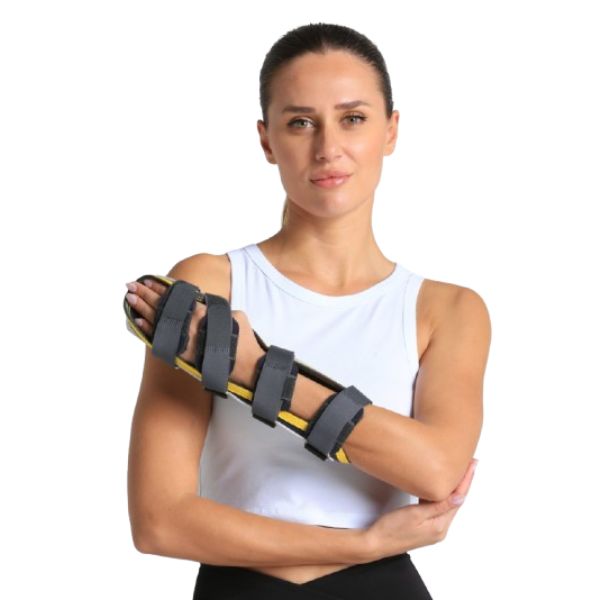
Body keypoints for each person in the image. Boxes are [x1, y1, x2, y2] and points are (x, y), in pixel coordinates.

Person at [125, 22, 489, 599]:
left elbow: (438, 471)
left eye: (353, 118)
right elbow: (158, 521)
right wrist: (362, 544)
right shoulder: (211, 284)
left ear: (390, 130)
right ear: (267, 140)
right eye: (300, 122)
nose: (327, 148)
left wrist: (256, 371)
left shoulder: (446, 309)